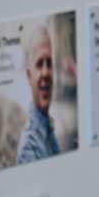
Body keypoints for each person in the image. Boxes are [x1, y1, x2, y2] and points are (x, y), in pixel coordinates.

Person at [16, 24, 63, 164]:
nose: (46, 72)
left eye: (49, 63)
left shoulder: (48, 132)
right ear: (29, 76)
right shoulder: (29, 147)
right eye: (39, 64)